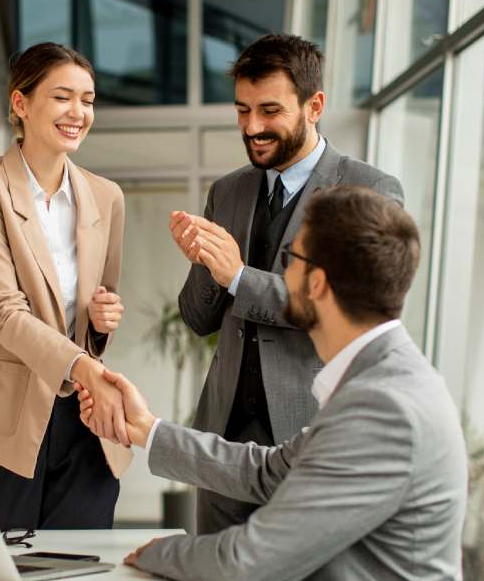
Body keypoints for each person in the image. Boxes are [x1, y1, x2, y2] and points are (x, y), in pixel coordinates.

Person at [78, 185, 468, 581]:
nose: (282, 275)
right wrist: (147, 431)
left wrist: (152, 553)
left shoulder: (384, 406)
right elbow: (268, 471)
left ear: (319, 284)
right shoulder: (378, 381)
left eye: (292, 259)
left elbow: (248, 562)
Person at [169, 34, 404, 534]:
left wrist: (237, 275)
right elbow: (197, 318)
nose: (252, 127)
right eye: (242, 110)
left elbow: (341, 312)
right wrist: (207, 267)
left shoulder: (370, 191)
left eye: (270, 110)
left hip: (313, 434)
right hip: (223, 438)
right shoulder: (227, 191)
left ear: (314, 105)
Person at [0, 42, 131, 531]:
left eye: (88, 100)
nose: (78, 113)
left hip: (83, 420)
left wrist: (102, 322)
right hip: (3, 416)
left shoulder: (106, 197)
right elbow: (1, 311)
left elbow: (95, 310)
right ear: (20, 103)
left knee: (80, 576)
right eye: (63, 97)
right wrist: (84, 366)